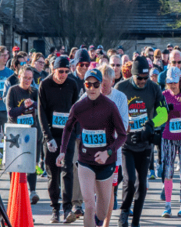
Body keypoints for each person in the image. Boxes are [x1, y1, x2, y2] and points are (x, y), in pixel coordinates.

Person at [57, 69, 127, 227]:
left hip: (106, 162)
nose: (92, 88)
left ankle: (99, 220)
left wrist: (107, 152)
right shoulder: (79, 107)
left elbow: (122, 135)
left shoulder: (110, 106)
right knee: (89, 205)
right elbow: (67, 128)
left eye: (96, 84)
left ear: (101, 85)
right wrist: (62, 151)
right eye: (89, 84)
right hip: (85, 161)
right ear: (85, 85)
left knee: (101, 212)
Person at [115, 57, 168, 227]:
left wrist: (151, 124)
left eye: (146, 78)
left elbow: (164, 113)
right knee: (129, 181)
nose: (143, 81)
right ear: (132, 75)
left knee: (142, 185)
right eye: (140, 78)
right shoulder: (121, 88)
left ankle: (135, 221)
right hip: (126, 144)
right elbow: (112, 114)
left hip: (145, 144)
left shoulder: (154, 88)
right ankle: (124, 212)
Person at [38, 56, 81, 224]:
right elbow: (40, 113)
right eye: (60, 71)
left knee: (67, 170)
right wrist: (48, 137)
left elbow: (76, 108)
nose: (63, 75)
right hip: (51, 134)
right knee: (53, 174)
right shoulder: (45, 85)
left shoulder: (72, 84)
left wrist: (76, 131)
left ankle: (67, 208)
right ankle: (55, 208)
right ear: (53, 69)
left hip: (67, 134)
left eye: (66, 71)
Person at [159, 67, 181, 218]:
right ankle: (167, 206)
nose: (172, 85)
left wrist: (172, 107)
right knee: (168, 171)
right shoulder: (164, 95)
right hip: (169, 137)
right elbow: (160, 112)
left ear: (180, 80)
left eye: (174, 82)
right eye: (169, 82)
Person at [99, 63, 129, 225]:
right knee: (96, 190)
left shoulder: (120, 98)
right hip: (93, 150)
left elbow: (124, 126)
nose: (102, 87)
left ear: (113, 81)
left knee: (109, 190)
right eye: (100, 82)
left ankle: (106, 224)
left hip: (112, 152)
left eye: (105, 83)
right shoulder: (91, 94)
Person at [7, 65, 41, 204]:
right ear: (19, 76)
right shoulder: (13, 91)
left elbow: (42, 107)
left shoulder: (35, 91)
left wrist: (33, 104)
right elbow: (10, 112)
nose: (27, 81)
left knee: (30, 161)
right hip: (15, 130)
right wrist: (23, 107)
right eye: (25, 77)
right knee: (14, 162)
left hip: (31, 130)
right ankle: (14, 191)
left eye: (30, 78)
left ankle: (32, 191)